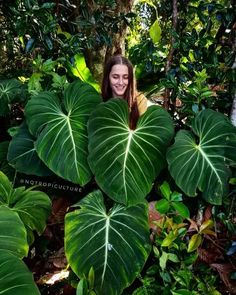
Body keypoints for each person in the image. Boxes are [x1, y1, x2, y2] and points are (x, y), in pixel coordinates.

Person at [101, 55, 147, 129]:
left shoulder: (139, 101)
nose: (121, 82)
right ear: (108, 78)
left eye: (125, 77)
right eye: (115, 77)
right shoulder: (99, 101)